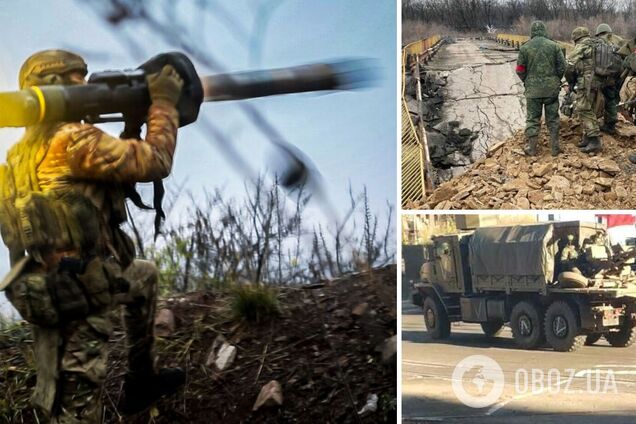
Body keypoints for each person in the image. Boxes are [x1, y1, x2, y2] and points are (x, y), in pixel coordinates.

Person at [0, 50, 185, 422]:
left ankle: (141, 381)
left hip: (41, 289)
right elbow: (156, 161)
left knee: (144, 276)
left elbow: (115, 170)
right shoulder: (74, 140)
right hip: (84, 294)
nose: (85, 86)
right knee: (79, 402)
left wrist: (131, 127)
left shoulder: (19, 155)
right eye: (75, 79)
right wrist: (164, 103)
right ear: (50, 87)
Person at [516, 21, 566, 157]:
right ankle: (555, 148)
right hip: (551, 90)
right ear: (544, 31)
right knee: (553, 118)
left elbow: (520, 69)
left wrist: (527, 81)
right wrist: (556, 80)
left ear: (532, 32)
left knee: (532, 119)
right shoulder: (554, 46)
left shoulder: (525, 48)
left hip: (533, 91)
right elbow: (562, 66)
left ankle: (532, 148)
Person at [565, 27, 603, 154]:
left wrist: (570, 81)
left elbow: (569, 65)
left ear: (576, 38)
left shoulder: (582, 46)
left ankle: (595, 140)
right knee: (590, 108)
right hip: (598, 81)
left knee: (583, 109)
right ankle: (587, 138)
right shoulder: (597, 44)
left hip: (586, 83)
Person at [594, 23, 625, 135]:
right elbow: (622, 65)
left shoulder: (595, 44)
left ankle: (592, 127)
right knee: (610, 100)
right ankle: (610, 125)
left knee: (592, 101)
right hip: (611, 79)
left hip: (596, 78)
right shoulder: (615, 46)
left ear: (598, 33)